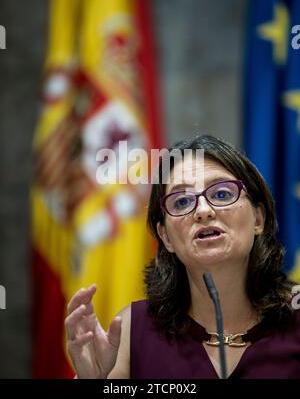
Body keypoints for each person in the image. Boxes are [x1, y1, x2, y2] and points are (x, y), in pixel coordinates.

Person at [65, 135, 300, 379]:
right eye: (182, 201)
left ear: (258, 219)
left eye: (221, 194)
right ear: (165, 237)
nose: (204, 211)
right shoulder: (132, 332)